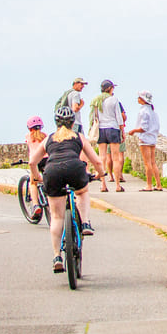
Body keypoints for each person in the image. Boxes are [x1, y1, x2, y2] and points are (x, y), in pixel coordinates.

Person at [28, 105, 105, 273]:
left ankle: (57, 256)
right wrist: (101, 174)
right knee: (82, 192)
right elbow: (97, 161)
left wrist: (37, 177)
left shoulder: (48, 139)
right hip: (74, 169)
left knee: (57, 217)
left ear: (56, 123)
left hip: (52, 172)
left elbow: (32, 162)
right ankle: (85, 222)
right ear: (72, 123)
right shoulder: (78, 137)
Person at [94, 79, 126, 192]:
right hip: (113, 128)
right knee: (115, 158)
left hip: (101, 129)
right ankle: (117, 185)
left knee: (102, 157)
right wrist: (122, 131)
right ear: (110, 89)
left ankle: (103, 184)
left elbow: (95, 116)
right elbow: (119, 117)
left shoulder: (97, 100)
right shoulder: (113, 100)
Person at [127, 91, 162, 191]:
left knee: (147, 163)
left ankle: (149, 185)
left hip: (145, 138)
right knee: (153, 162)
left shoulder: (143, 111)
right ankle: (158, 184)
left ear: (142, 99)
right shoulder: (153, 111)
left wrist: (133, 131)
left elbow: (143, 128)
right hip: (153, 138)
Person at [25, 116, 48, 220]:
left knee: (33, 183)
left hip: (36, 161)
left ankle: (35, 205)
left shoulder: (28, 136)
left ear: (30, 128)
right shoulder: (46, 136)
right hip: (47, 159)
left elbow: (30, 150)